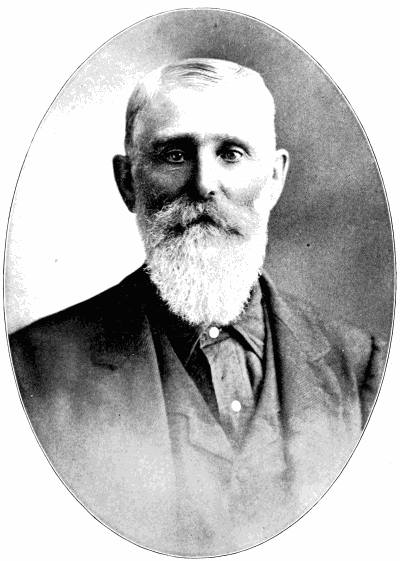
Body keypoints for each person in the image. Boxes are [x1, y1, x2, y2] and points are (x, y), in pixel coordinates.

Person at [9, 58, 386, 556]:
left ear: (274, 179)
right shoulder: (32, 370)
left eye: (231, 153)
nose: (204, 183)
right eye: (174, 154)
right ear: (128, 181)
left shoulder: (365, 370)